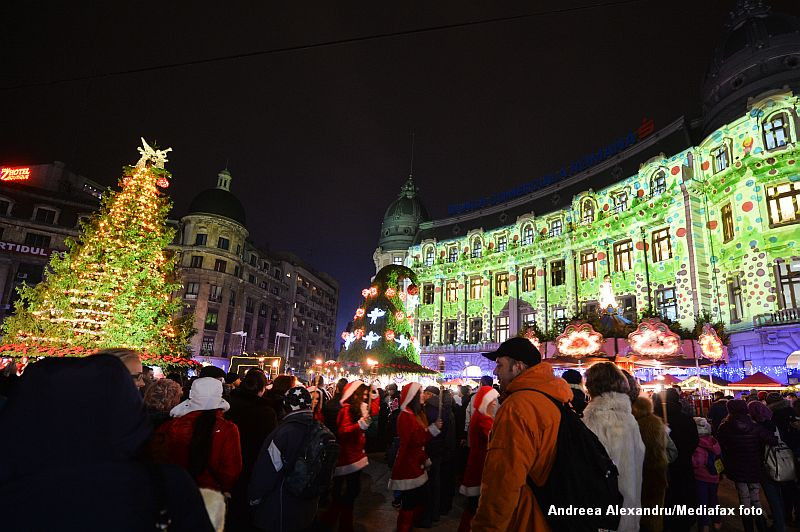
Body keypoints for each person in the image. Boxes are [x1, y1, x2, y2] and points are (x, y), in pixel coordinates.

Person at [0, 355, 213, 531]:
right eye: (135, 379)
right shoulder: (166, 486)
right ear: (125, 405)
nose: (140, 384)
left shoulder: (14, 488)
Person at [472, 337, 572, 531]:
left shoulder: (517, 407)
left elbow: (503, 482)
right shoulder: (553, 397)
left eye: (499, 365)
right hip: (551, 513)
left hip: (527, 518)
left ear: (517, 367)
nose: (494, 371)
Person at [154, 377, 243, 532]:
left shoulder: (169, 426)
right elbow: (231, 471)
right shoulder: (228, 429)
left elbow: (157, 460)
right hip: (210, 497)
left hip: (173, 495)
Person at [248, 386, 323, 532]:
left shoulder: (284, 433)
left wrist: (254, 497)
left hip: (280, 507)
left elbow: (267, 470)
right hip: (309, 506)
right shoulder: (320, 429)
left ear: (286, 406)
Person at [582, 362, 645, 532]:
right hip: (628, 507)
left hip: (603, 514)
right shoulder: (629, 419)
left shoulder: (597, 419)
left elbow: (590, 469)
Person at [225, 368, 278, 532]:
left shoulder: (228, 405)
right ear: (262, 389)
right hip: (252, 466)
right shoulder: (266, 412)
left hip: (228, 462)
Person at [389, 382, 442, 531]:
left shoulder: (415, 414)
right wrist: (432, 430)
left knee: (417, 501)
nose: (423, 395)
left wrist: (424, 457)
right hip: (409, 466)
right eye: (419, 393)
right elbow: (413, 441)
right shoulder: (405, 416)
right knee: (410, 504)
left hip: (416, 464)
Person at [718, 399, 777, 532]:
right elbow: (772, 440)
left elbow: (720, 445)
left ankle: (748, 528)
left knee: (744, 499)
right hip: (754, 465)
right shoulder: (755, 426)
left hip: (736, 467)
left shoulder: (725, 427)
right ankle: (762, 526)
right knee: (755, 498)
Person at [323, 380, 371, 531]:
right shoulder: (346, 410)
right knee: (348, 492)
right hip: (348, 457)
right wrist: (359, 426)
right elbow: (343, 432)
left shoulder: (358, 408)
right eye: (362, 393)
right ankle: (343, 523)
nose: (365, 395)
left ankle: (332, 520)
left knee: (346, 492)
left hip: (355, 456)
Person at [656, 388, 700, 532]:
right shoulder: (687, 420)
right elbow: (694, 441)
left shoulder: (653, 421)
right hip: (684, 468)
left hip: (662, 472)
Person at [458, 385, 498, 532]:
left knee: (473, 506)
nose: (495, 403)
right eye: (493, 399)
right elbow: (495, 440)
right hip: (480, 465)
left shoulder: (480, 416)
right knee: (475, 507)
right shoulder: (483, 419)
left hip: (477, 462)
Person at [632, 396, 669, 532]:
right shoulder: (657, 423)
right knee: (654, 511)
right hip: (657, 472)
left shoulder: (633, 425)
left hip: (639, 472)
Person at [748, 400, 786, 532]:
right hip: (778, 462)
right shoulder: (772, 423)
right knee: (779, 494)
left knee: (772, 496)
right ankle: (781, 521)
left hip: (766, 464)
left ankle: (779, 525)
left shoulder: (756, 427)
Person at [692, 417, 722, 532]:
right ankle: (717, 521)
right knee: (713, 498)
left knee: (702, 501)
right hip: (714, 476)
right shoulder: (713, 441)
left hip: (701, 476)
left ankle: (704, 524)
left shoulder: (698, 443)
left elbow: (698, 461)